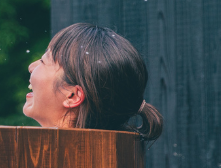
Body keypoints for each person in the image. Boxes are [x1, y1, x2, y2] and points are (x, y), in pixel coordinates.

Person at [23, 23, 163, 140]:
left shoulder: (53, 166)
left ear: (72, 95)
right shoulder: (109, 163)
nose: (31, 67)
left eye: (43, 61)